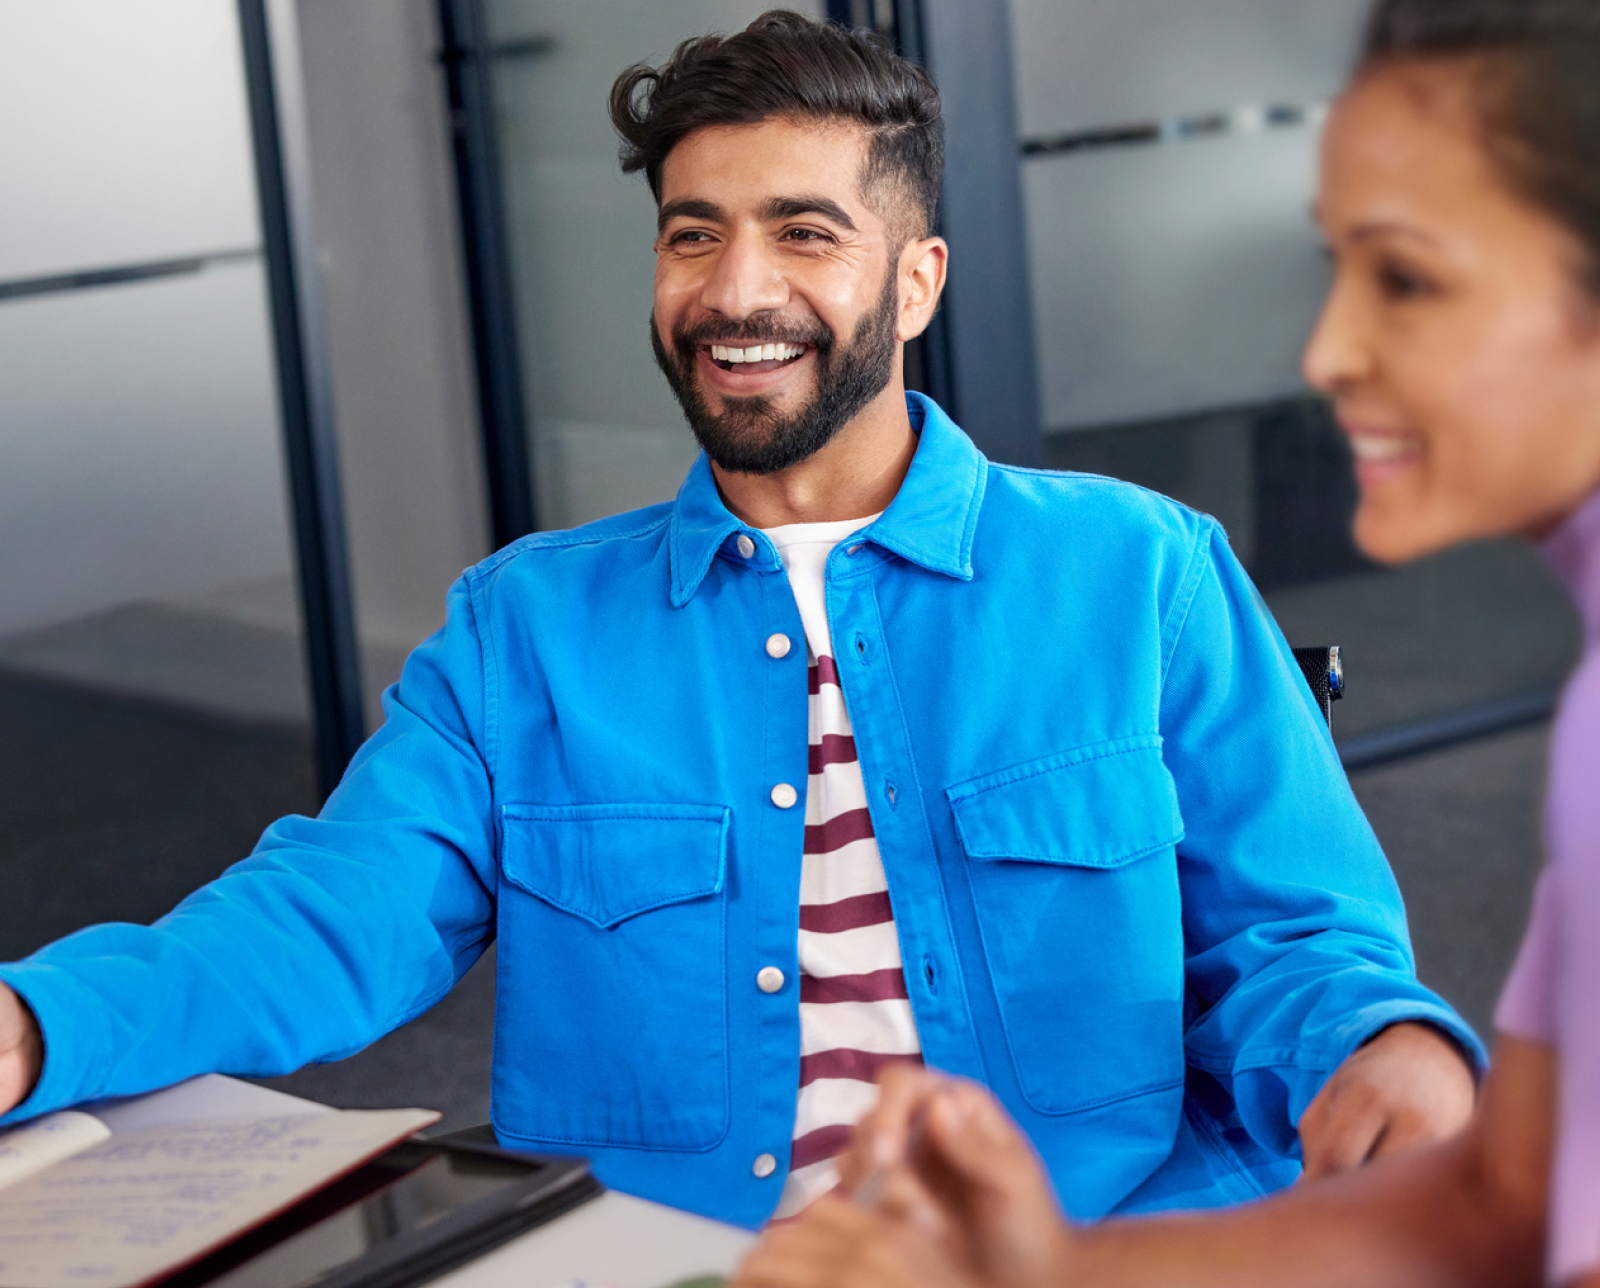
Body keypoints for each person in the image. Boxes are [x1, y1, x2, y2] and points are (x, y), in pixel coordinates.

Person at [0, 11, 1478, 1231]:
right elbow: (330, 915)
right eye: (692, 235)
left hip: (1094, 1248)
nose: (737, 289)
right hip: (685, 1258)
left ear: (914, 284)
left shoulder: (1141, 570)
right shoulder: (525, 629)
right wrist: (37, 1025)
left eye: (803, 233)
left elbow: (1297, 936)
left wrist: (1383, 1045)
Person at [731, 0, 1600, 1280]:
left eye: (1406, 276)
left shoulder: (1142, 563)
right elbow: (1498, 1204)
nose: (1327, 351)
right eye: (1335, 267)